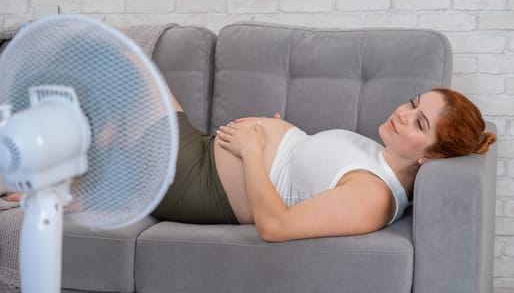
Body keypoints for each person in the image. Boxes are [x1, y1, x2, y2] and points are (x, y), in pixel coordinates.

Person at [151, 88, 496, 242]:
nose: (403, 115)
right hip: (201, 153)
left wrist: (254, 150)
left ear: (432, 155)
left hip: (195, 180)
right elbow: (305, 174)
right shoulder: (381, 156)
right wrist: (284, 135)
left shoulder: (373, 197)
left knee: (122, 67)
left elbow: (275, 226)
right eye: (412, 103)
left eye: (420, 123)